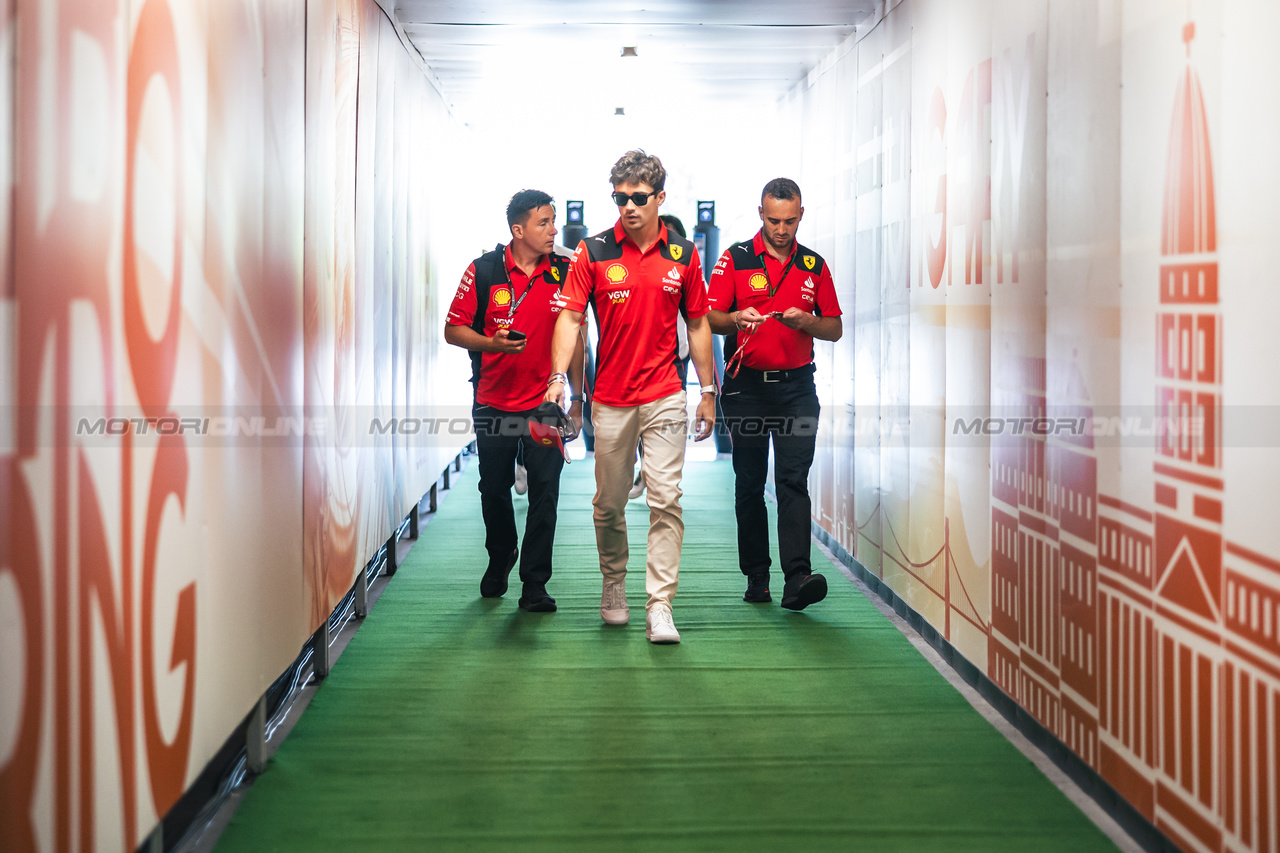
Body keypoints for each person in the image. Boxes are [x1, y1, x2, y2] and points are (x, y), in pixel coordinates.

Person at [545, 150, 717, 644]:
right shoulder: (594, 251)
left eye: (638, 198)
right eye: (620, 198)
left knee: (666, 500)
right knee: (609, 503)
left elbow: (699, 321)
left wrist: (706, 390)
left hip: (664, 394)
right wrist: (559, 378)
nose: (628, 207)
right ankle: (614, 583)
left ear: (660, 197)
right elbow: (571, 319)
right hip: (612, 399)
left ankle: (660, 606)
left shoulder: (683, 254)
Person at [706, 178, 843, 611]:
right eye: (773, 220)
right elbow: (711, 317)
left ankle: (797, 577)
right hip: (746, 387)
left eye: (789, 220)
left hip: (797, 388)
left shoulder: (813, 265)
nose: (781, 229)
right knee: (748, 484)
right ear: (760, 214)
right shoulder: (735, 258)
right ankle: (757, 576)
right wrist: (735, 317)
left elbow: (835, 327)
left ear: (801, 215)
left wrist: (808, 321)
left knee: (792, 481)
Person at [445, 189, 584, 612]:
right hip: (493, 401)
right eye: (544, 223)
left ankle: (535, 583)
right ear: (518, 229)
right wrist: (491, 344)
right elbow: (453, 329)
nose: (553, 230)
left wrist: (577, 401)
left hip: (545, 404)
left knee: (546, 490)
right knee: (494, 487)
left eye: (554, 220)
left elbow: (576, 336)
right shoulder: (484, 270)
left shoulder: (565, 271)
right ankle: (501, 553)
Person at [628, 213, 694, 501]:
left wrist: (707, 388)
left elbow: (699, 320)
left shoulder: (686, 266)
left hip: (676, 359)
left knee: (667, 420)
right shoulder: (637, 266)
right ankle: (644, 466)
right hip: (635, 359)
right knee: (638, 422)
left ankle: (658, 474)